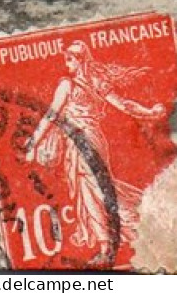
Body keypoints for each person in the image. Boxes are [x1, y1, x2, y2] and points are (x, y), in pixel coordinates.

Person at [25, 41, 167, 265]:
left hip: (84, 142)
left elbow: (51, 116)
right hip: (93, 140)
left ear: (79, 60)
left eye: (70, 60)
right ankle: (113, 239)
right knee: (92, 191)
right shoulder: (96, 82)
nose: (67, 64)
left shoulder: (67, 85)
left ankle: (111, 243)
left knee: (94, 192)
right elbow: (125, 105)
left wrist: (33, 143)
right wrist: (148, 113)